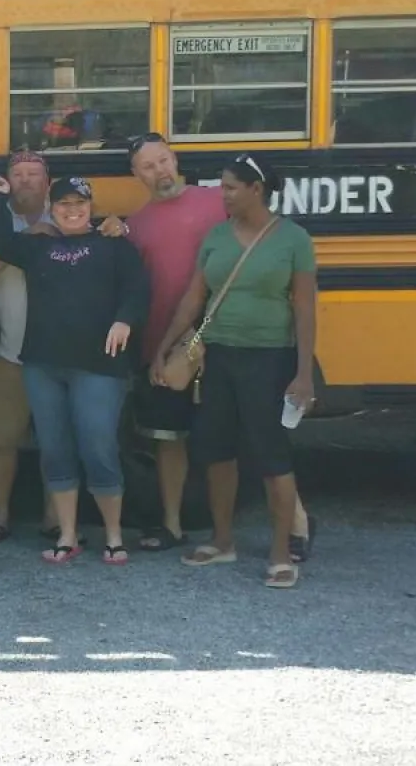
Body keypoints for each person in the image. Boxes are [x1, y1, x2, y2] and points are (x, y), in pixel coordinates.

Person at [126, 133, 315, 562]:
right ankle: (186, 527)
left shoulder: (221, 203)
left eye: (163, 160)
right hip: (187, 344)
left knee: (264, 442)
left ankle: (295, 528)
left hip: (250, 346)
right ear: (135, 175)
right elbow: (163, 288)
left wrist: (303, 370)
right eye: (147, 166)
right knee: (188, 440)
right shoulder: (137, 224)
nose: (160, 171)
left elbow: (300, 298)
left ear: (175, 158)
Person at [0, 175, 149, 565]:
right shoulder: (38, 246)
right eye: (63, 205)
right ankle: (68, 535)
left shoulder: (114, 244)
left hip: (99, 366)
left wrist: (124, 320)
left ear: (91, 207)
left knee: (98, 446)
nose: (72, 211)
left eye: (80, 204)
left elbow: (138, 289)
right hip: (42, 365)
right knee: (55, 449)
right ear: (52, 209)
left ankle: (113, 536)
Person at [0, 150, 53, 547]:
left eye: (34, 174)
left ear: (47, 181)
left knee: (58, 439)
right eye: (18, 174)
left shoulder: (68, 210)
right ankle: (0, 517)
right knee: (3, 440)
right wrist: (22, 242)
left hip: (59, 353)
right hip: (9, 349)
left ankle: (57, 521)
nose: (25, 180)